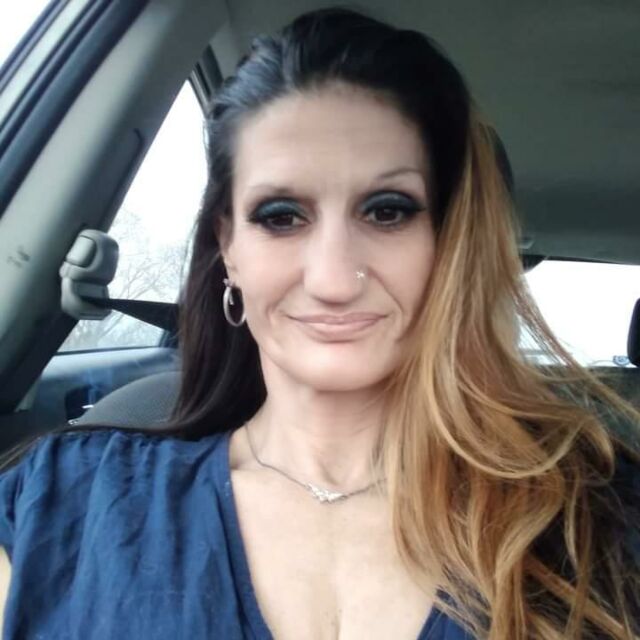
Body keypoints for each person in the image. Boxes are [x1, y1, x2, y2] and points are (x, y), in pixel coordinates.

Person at [0, 7, 639, 639]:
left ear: (445, 245)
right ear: (229, 246)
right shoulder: (62, 503)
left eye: (387, 211)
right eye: (280, 216)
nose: (334, 280)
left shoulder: (594, 521)